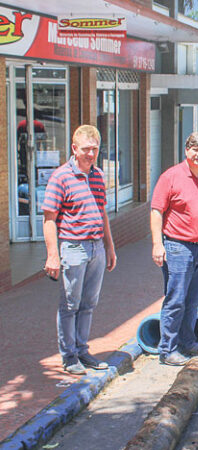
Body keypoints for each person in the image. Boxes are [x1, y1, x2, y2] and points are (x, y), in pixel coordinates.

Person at [42, 125, 117, 375]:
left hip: (96, 247)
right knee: (70, 304)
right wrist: (53, 254)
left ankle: (83, 350)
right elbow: (49, 218)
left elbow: (102, 212)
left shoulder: (97, 175)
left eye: (95, 149)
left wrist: (110, 246)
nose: (91, 154)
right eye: (86, 149)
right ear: (74, 148)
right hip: (73, 247)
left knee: (89, 303)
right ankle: (69, 355)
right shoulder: (61, 177)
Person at [150, 132, 198, 366]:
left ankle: (188, 342)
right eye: (194, 149)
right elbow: (156, 210)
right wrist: (157, 244)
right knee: (176, 300)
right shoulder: (170, 177)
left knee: (193, 300)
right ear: (186, 150)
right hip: (177, 247)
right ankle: (167, 349)